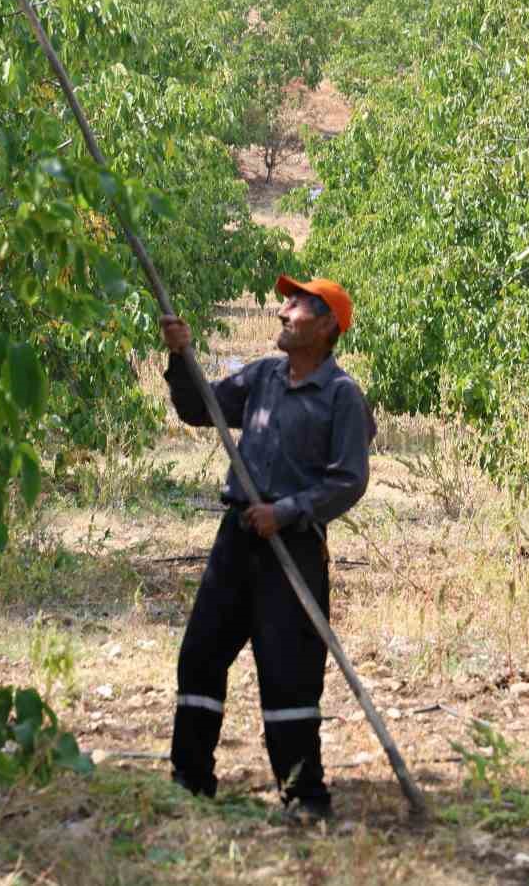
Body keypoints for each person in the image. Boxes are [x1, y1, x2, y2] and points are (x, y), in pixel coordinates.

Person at [159, 274, 375, 821]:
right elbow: (198, 408)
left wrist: (286, 512)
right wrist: (181, 358)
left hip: (293, 549)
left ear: (327, 325)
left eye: (296, 303)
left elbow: (348, 480)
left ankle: (304, 797)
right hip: (237, 541)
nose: (282, 311)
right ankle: (189, 782)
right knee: (201, 655)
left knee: (289, 673)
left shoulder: (342, 397)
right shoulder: (263, 377)